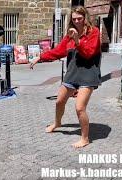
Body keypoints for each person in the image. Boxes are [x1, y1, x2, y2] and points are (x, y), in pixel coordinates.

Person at [30, 6, 101, 148]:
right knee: (59, 101)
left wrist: (77, 41)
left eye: (79, 19)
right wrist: (40, 57)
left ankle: (85, 138)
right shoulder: (70, 35)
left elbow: (89, 53)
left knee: (80, 107)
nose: (77, 22)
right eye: (74, 19)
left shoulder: (94, 32)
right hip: (72, 73)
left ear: (85, 18)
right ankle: (57, 122)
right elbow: (58, 51)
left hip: (88, 73)